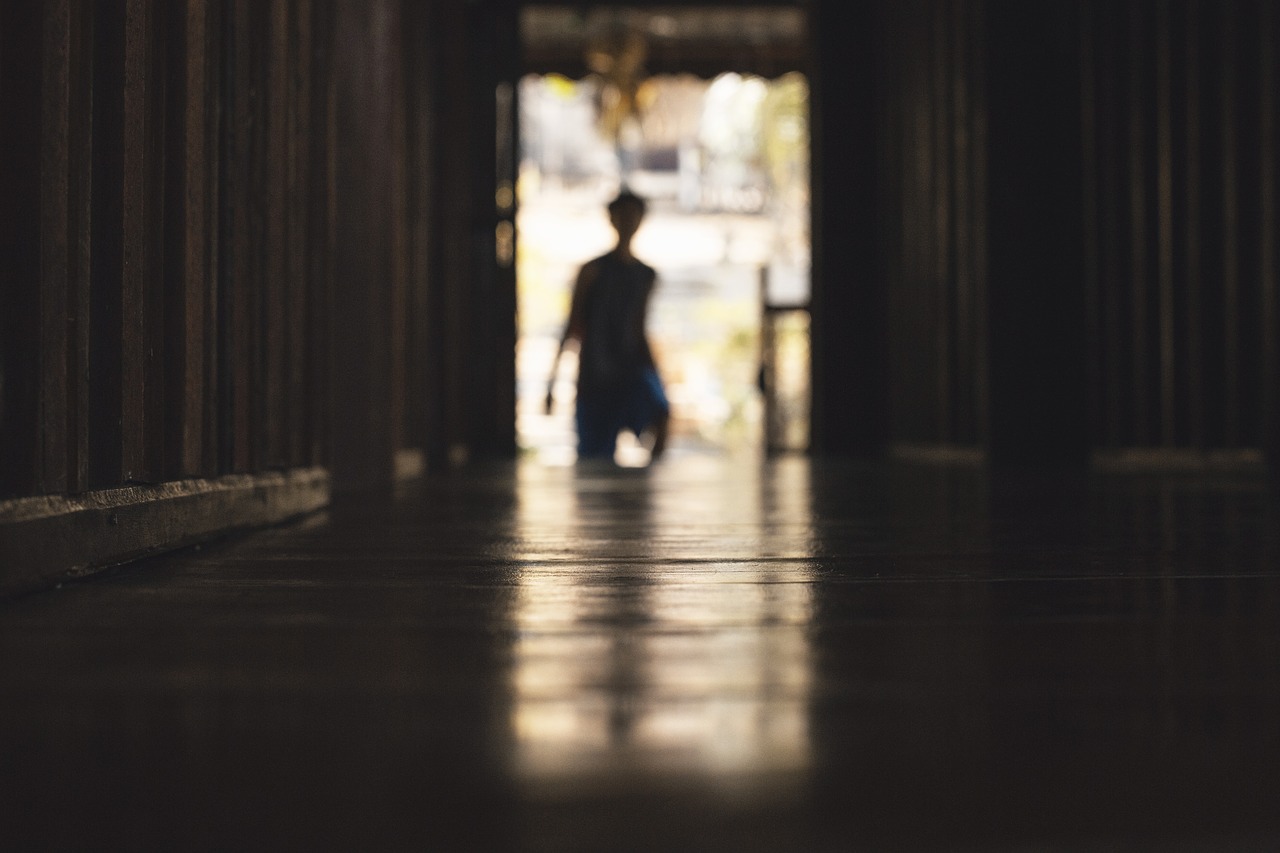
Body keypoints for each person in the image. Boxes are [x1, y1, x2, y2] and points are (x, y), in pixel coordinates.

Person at [545, 190, 670, 463]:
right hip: (596, 374)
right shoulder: (592, 271)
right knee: (595, 458)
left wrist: (655, 375)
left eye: (633, 216)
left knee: (661, 411)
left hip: (630, 369)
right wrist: (552, 380)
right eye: (622, 216)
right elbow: (573, 323)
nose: (627, 222)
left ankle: (645, 489)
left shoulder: (645, 275)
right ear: (611, 220)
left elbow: (639, 327)